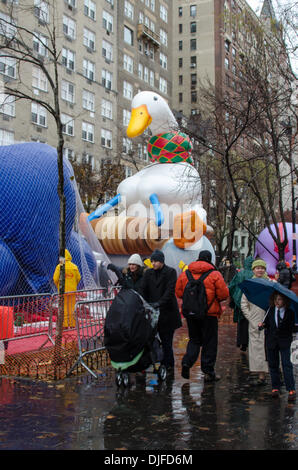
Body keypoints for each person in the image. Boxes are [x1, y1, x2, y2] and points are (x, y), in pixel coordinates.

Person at [175, 250, 229, 382]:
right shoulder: (215, 274)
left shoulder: (185, 274)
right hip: (209, 314)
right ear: (210, 259)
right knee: (209, 342)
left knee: (194, 339)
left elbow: (179, 292)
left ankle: (187, 362)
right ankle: (208, 372)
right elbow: (224, 294)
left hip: (191, 314)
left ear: (198, 259)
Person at [139, 249, 182, 373]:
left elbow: (169, 291)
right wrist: (142, 302)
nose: (154, 264)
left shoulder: (170, 272)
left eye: (156, 261)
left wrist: (159, 303)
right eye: (152, 261)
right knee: (150, 340)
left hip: (167, 312)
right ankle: (153, 362)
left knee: (166, 341)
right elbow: (143, 289)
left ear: (162, 261)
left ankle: (168, 365)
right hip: (152, 313)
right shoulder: (148, 274)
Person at [259, 292, 296, 402]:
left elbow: (292, 328)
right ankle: (275, 387)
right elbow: (267, 323)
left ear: (284, 301)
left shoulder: (289, 313)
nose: (277, 302)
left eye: (279, 299)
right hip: (271, 341)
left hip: (284, 341)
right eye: (275, 299)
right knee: (273, 365)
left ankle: (291, 388)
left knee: (286, 365)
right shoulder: (270, 310)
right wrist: (262, 325)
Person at [240, 258, 269, 385]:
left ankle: (272, 371)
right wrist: (251, 317)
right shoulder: (250, 285)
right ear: (253, 270)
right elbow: (244, 304)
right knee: (257, 347)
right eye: (257, 268)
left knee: (269, 348)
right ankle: (261, 375)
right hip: (255, 321)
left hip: (268, 320)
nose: (260, 270)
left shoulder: (270, 284)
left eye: (262, 268)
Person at [228, 256, 254, 352]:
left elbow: (231, 286)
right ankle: (250, 341)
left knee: (242, 322)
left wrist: (234, 297)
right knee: (251, 322)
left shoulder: (240, 274)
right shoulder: (254, 274)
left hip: (240, 301)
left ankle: (242, 342)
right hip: (253, 302)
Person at [53, 249, 81, 328]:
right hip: (72, 291)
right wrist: (73, 285)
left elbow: (55, 279)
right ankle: (72, 324)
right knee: (71, 307)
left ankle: (64, 325)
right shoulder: (74, 266)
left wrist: (58, 286)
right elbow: (78, 278)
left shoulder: (59, 267)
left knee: (63, 308)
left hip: (62, 291)